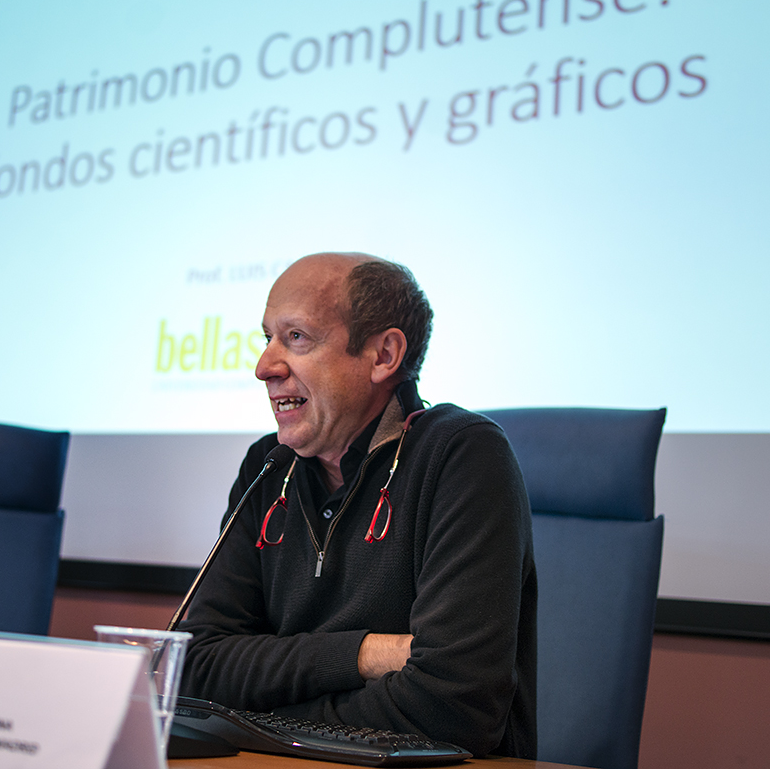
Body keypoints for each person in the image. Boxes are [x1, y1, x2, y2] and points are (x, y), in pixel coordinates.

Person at [179, 252, 536, 758]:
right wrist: (367, 654)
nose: (264, 367)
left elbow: (453, 707)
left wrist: (257, 717)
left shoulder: (461, 455)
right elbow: (197, 667)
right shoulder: (268, 466)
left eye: (296, 337)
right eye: (267, 338)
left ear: (383, 355)